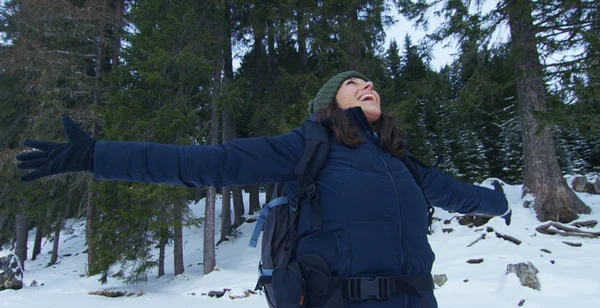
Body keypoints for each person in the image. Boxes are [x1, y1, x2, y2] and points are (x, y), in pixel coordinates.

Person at [17, 71, 511, 307]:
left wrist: (501, 201)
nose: (367, 86)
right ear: (330, 104)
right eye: (352, 84)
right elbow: (206, 163)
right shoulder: (308, 145)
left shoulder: (402, 162)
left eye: (371, 83)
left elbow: (460, 194)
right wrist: (97, 155)